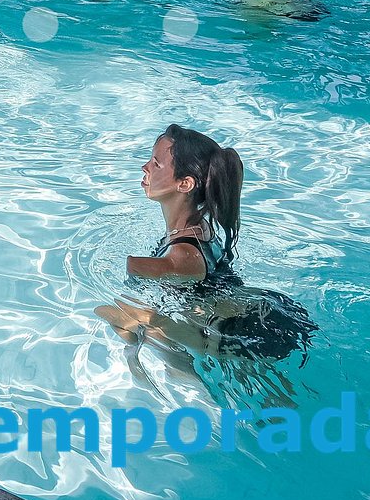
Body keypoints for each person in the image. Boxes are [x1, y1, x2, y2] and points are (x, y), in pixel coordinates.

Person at [95, 125, 316, 363]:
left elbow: (145, 267)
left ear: (185, 184)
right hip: (257, 309)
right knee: (149, 323)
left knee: (116, 312)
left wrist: (131, 266)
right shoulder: (198, 226)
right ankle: (160, 362)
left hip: (247, 330)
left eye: (156, 164)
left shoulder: (184, 253)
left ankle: (165, 374)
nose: (145, 167)